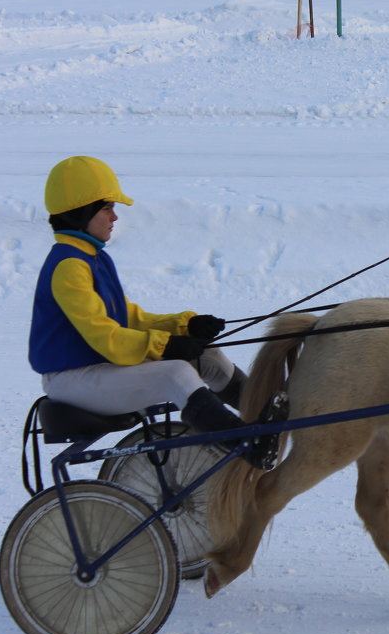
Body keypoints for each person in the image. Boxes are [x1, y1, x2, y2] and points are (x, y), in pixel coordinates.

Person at [28, 155, 273, 468]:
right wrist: (166, 346)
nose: (114, 217)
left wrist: (185, 326)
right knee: (176, 373)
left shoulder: (93, 259)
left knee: (206, 356)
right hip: (73, 380)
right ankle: (245, 444)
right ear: (81, 213)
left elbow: (130, 318)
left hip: (96, 370)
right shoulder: (69, 267)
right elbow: (107, 338)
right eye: (106, 208)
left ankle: (264, 415)